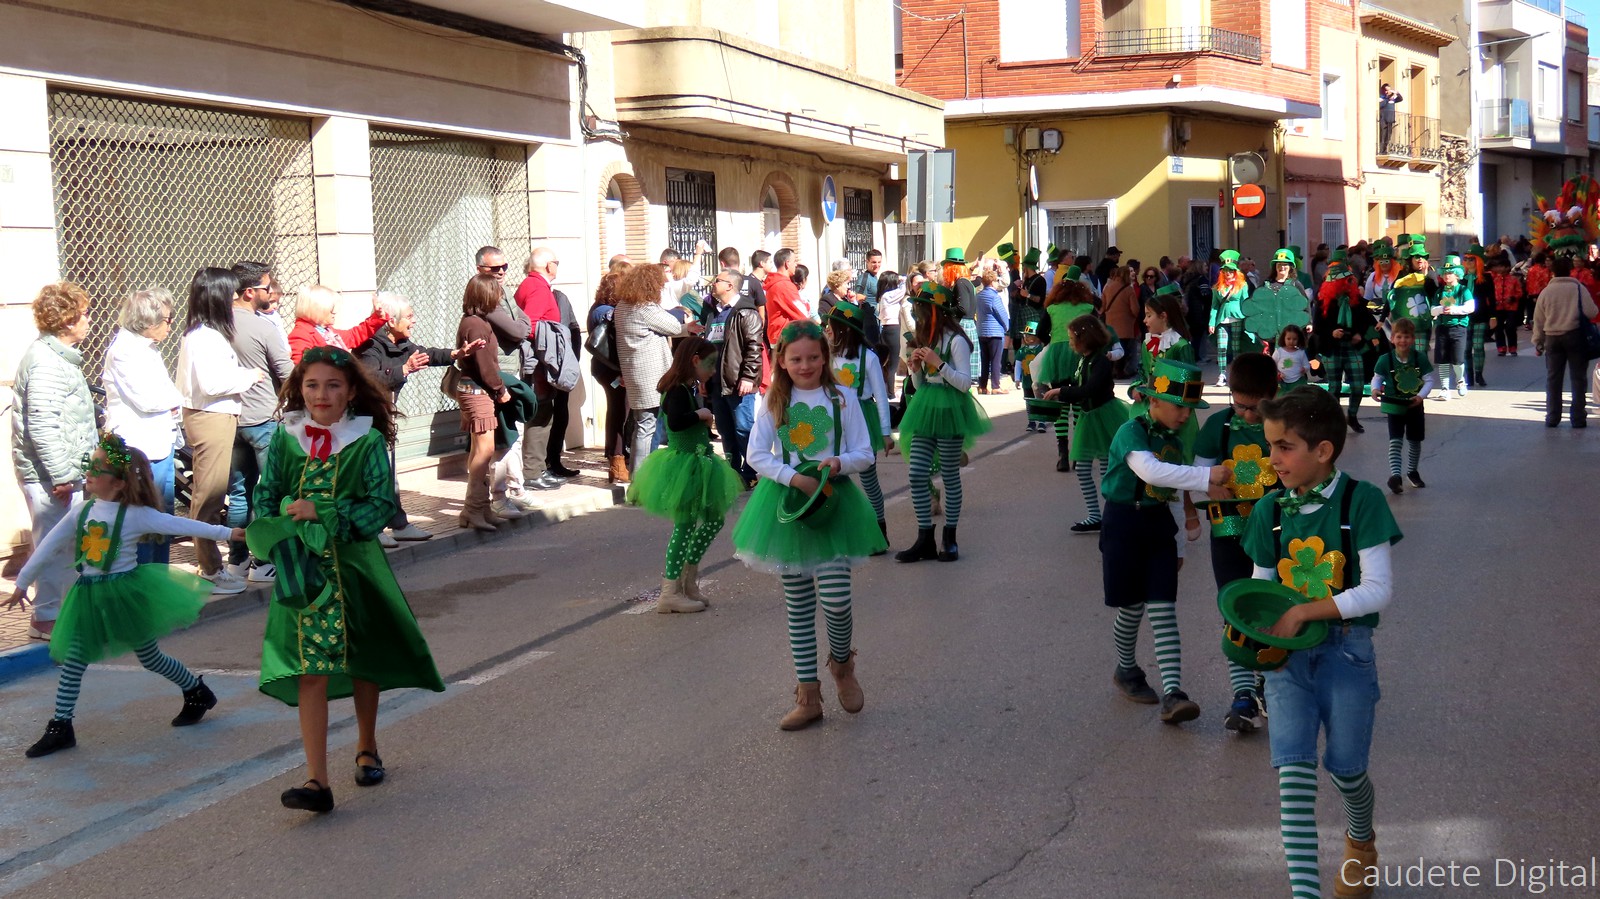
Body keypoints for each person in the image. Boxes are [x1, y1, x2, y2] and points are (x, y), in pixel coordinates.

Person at [254, 346, 445, 813]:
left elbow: (380, 505)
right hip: (303, 572)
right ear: (300, 389)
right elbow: (266, 497)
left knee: (363, 659)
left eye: (333, 385)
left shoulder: (367, 441)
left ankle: (366, 745)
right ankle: (316, 781)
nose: (321, 394)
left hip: (355, 567)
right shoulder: (285, 439)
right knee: (309, 669)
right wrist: (280, 520)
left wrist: (325, 510)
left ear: (351, 391)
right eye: (312, 385)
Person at [1242, 386, 1403, 899]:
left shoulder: (1362, 501)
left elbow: (1378, 590)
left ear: (1323, 450)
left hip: (1347, 652)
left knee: (1347, 770)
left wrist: (1303, 611)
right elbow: (1261, 590)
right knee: (1293, 775)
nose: (1273, 459)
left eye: (1284, 447)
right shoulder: (1268, 509)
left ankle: (1361, 840)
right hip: (1286, 660)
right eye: (1270, 446)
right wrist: (1254, 640)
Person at [7, 433, 242, 757]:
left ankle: (195, 690)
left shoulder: (135, 514)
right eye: (89, 466)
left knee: (150, 657)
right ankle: (61, 726)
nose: (89, 473)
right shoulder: (81, 511)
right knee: (74, 658)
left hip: (124, 595)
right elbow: (49, 545)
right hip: (88, 596)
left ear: (118, 483)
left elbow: (181, 525)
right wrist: (23, 581)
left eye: (97, 468)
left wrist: (228, 532)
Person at [731, 321, 887, 730]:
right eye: (796, 358)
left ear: (825, 357)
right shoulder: (774, 400)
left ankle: (842, 665)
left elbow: (864, 452)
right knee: (798, 605)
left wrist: (839, 462)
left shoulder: (843, 398)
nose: (805, 366)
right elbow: (757, 454)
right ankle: (808, 695)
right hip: (788, 505)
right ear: (781, 360)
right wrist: (792, 477)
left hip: (833, 504)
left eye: (814, 357)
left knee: (836, 601)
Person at [1100, 359, 1231, 723]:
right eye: (1179, 407)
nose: (1185, 416)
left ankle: (1173, 693)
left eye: (1190, 409)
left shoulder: (1171, 440)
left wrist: (1180, 543)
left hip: (1158, 526)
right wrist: (1206, 477)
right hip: (1123, 524)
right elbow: (1151, 471)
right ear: (1154, 400)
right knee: (1131, 608)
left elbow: (1171, 490)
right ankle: (1126, 669)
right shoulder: (1131, 431)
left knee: (1163, 608)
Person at [1192, 352, 1278, 733]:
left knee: (1272, 610)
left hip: (1276, 537)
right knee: (1235, 609)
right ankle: (1243, 695)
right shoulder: (1218, 425)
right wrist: (1211, 486)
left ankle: (1269, 684)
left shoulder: (1286, 424)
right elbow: (1199, 473)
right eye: (1239, 405)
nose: (1245, 414)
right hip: (1228, 532)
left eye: (1254, 407)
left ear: (1274, 393)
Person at [356, 291, 484, 544]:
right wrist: (404, 369)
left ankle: (399, 524)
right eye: (409, 317)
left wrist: (456, 354)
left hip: (384, 417)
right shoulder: (369, 345)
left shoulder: (401, 343)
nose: (413, 321)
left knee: (388, 474)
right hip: (364, 420)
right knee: (374, 475)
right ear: (391, 321)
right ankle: (374, 529)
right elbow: (369, 378)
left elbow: (427, 354)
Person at [627, 336, 743, 613]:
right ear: (694, 360)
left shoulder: (686, 387)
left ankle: (687, 581)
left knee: (713, 520)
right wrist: (701, 414)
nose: (712, 371)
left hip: (698, 463)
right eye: (710, 364)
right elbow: (676, 423)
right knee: (685, 527)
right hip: (686, 466)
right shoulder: (677, 390)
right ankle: (670, 591)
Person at [13, 282, 98, 640]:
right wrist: (63, 475)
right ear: (67, 320)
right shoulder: (47, 363)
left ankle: (61, 613)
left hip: (61, 474)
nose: (89, 320)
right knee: (53, 545)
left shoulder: (58, 357)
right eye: (85, 314)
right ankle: (46, 617)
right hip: (51, 477)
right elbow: (43, 425)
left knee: (65, 546)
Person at [177, 268, 267, 595]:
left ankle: (211, 565)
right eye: (229, 293)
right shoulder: (204, 336)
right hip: (210, 417)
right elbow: (213, 384)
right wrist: (249, 376)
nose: (234, 299)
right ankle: (211, 569)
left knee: (211, 495)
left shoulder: (206, 334)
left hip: (216, 417)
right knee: (209, 497)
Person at [896, 282, 991, 563]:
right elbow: (920, 384)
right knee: (916, 474)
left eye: (921, 310)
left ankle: (950, 538)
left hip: (950, 411)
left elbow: (964, 384)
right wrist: (915, 369)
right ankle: (925, 538)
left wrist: (939, 363)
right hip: (926, 408)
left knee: (949, 475)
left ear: (935, 312)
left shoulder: (956, 340)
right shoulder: (926, 338)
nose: (917, 315)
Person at [103, 287, 183, 565]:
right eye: (168, 320)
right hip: (139, 447)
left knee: (162, 516)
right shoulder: (124, 351)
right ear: (148, 322)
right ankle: (145, 577)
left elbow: (166, 393)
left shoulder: (147, 348)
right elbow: (148, 399)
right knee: (143, 518)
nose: (170, 326)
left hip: (160, 443)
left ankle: (160, 574)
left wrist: (173, 400)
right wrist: (178, 399)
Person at [226, 261, 294, 581]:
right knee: (269, 493)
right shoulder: (263, 327)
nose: (271, 292)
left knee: (239, 494)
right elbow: (286, 371)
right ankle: (263, 561)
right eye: (267, 287)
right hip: (264, 419)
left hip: (232, 421)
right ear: (250, 292)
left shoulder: (216, 325)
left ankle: (236, 561)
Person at [1040, 315, 1130, 534]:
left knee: (1108, 469)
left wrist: (1062, 391)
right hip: (1089, 417)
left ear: (1086, 339)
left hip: (1105, 417)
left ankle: (1112, 515)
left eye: (1072, 339)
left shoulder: (1101, 361)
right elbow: (1081, 386)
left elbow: (1090, 389)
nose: (1069, 343)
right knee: (1082, 469)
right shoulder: (1084, 359)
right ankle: (1095, 515)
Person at [615, 262, 703, 472]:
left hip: (634, 372)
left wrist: (685, 328)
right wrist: (682, 321)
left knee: (642, 426)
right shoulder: (645, 308)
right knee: (647, 427)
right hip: (651, 375)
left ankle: (641, 476)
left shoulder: (622, 306)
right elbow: (671, 325)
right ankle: (642, 478)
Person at [826, 299, 892, 548]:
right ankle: (837, 532)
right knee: (834, 476)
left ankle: (879, 532)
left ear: (844, 330)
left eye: (831, 326)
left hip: (863, 419)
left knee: (868, 479)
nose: (827, 330)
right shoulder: (828, 356)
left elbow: (881, 398)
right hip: (835, 419)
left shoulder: (869, 358)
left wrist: (885, 432)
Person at [455, 274, 515, 531]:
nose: (500, 296)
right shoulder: (476, 325)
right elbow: (485, 364)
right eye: (496, 292)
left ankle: (481, 508)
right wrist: (500, 389)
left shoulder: (475, 321)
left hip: (476, 390)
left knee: (479, 451)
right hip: (477, 392)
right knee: (484, 452)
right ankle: (472, 509)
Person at [1531, 255, 1598, 428]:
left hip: (1552, 338)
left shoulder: (1546, 291)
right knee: (1578, 378)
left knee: (1553, 378)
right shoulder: (1578, 288)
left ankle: (1552, 417)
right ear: (1570, 270)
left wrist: (1538, 341)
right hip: (1575, 336)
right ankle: (1578, 418)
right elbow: (1592, 311)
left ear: (1552, 271)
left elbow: (1538, 319)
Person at [1370, 317, 1436, 494]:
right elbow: (1377, 377)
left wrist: (1420, 396)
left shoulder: (1420, 358)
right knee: (1395, 441)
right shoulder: (1385, 359)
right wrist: (1375, 389)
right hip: (1394, 405)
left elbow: (1429, 380)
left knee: (1415, 441)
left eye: (1406, 337)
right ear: (1392, 338)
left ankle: (1412, 472)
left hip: (1414, 406)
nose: (1402, 340)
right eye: (1399, 336)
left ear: (1412, 339)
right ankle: (1396, 476)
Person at [1312, 253, 1375, 430]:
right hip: (1331, 348)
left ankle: (1352, 416)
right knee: (1334, 386)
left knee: (1358, 385)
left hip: (1352, 347)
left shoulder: (1356, 300)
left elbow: (1367, 321)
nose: (1346, 283)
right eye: (1342, 280)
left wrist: (1359, 334)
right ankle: (1335, 420)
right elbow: (1318, 327)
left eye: (1348, 279)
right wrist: (1331, 332)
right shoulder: (1323, 301)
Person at [589, 259, 631, 484]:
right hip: (612, 370)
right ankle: (617, 461)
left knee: (618, 412)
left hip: (608, 369)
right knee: (618, 413)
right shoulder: (606, 312)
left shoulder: (599, 308)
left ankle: (617, 458)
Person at [286, 285, 386, 363]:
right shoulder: (301, 335)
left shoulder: (327, 332)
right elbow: (302, 370)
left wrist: (377, 316)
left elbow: (354, 336)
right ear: (317, 310)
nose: (335, 312)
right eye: (331, 308)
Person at [1427, 254, 1475, 400]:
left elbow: (1470, 307)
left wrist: (1453, 310)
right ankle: (1445, 389)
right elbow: (1432, 310)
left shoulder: (1463, 290)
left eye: (1450, 272)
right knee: (1442, 359)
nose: (1447, 276)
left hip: (1458, 328)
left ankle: (1460, 381)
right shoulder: (1439, 292)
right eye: (1445, 272)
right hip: (1442, 328)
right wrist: (1441, 309)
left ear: (1457, 274)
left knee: (1458, 359)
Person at [1385, 235, 1437, 360]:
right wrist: (1383, 318)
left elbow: (1435, 295)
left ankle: (1421, 372)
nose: (1420, 259)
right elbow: (1392, 295)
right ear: (1411, 258)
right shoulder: (1403, 274)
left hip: (1422, 321)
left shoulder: (1430, 274)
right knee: (1406, 355)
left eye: (1422, 256)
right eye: (1416, 256)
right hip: (1404, 322)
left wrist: (1425, 277)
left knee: (1421, 354)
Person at [1211, 250, 1251, 385]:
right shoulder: (1217, 287)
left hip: (1237, 318)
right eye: (1225, 270)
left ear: (1235, 272)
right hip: (1222, 320)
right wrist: (1211, 323)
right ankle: (1222, 374)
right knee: (1221, 347)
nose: (1228, 273)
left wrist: (1248, 320)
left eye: (1230, 270)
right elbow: (1214, 306)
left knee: (1235, 347)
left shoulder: (1242, 285)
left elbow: (1245, 303)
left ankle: (1236, 374)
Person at [764, 249, 810, 355]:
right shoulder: (784, 285)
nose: (796, 264)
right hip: (786, 337)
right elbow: (802, 313)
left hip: (777, 335)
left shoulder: (774, 283)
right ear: (787, 263)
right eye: (794, 261)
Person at [975, 263, 1011, 394]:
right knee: (996, 361)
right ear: (992, 282)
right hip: (995, 332)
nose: (997, 283)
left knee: (984, 361)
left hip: (981, 331)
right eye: (996, 281)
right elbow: (1001, 313)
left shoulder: (979, 295)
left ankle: (982, 386)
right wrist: (1006, 327)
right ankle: (996, 386)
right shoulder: (994, 296)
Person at [1101, 263, 1141, 379]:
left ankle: (1111, 371)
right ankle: (1119, 372)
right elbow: (1135, 309)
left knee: (1111, 349)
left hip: (1110, 325)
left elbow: (1102, 307)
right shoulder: (1129, 289)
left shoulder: (1107, 287)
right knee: (1123, 351)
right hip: (1125, 326)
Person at [876, 271, 905, 399]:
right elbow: (904, 289)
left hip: (888, 330)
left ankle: (886, 391)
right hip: (893, 329)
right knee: (892, 364)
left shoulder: (883, 296)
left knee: (888, 364)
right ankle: (890, 393)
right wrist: (903, 278)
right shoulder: (888, 295)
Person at [1490, 253, 1524, 357]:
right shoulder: (1494, 279)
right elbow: (1490, 293)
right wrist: (1493, 301)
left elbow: (1519, 292)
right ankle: (1501, 348)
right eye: (1498, 267)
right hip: (1498, 307)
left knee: (1510, 327)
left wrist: (1513, 298)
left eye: (1501, 266)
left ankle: (1512, 347)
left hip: (1511, 307)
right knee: (1498, 327)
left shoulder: (1513, 279)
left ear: (1507, 267)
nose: (1499, 269)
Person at [1273, 325, 1311, 390]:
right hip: (1281, 381)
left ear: (1299, 339)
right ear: (1283, 338)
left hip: (1298, 380)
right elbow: (1272, 364)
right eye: (1288, 339)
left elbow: (1307, 365)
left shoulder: (1301, 352)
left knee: (1300, 393)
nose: (1291, 341)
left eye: (1294, 339)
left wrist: (1304, 369)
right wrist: (1278, 374)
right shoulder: (1279, 352)